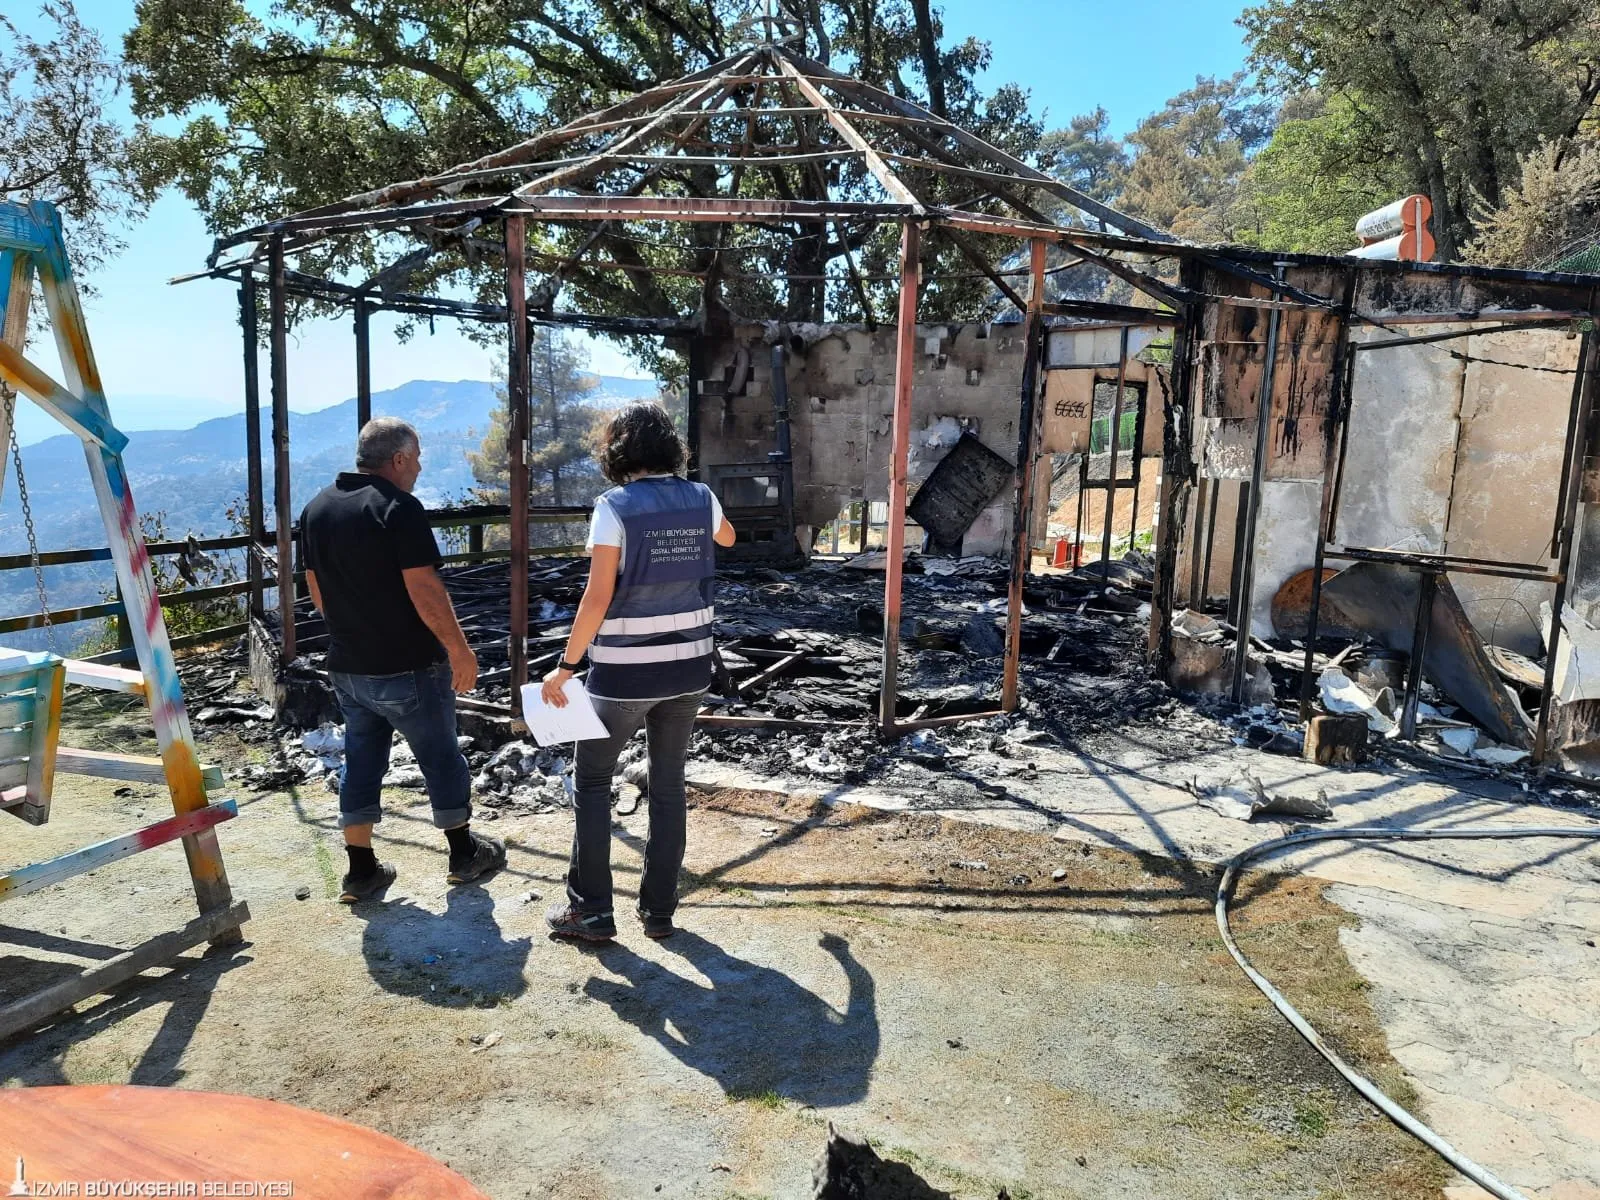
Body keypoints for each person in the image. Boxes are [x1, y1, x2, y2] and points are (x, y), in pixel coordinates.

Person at [540, 403, 736, 942]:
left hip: (625, 674)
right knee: (669, 785)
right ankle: (659, 911)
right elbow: (728, 539)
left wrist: (565, 667)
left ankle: (593, 911)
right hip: (690, 668)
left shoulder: (614, 507)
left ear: (618, 451)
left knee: (593, 782)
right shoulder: (701, 497)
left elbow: (597, 595)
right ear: (671, 447)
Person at [300, 417, 505, 902]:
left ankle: (360, 869)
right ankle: (462, 853)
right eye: (415, 459)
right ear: (397, 459)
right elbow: (424, 587)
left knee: (361, 762)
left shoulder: (317, 508)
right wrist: (459, 650)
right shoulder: (398, 508)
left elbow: (313, 585)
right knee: (439, 757)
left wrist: (349, 629)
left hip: (348, 666)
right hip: (408, 664)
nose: (417, 468)